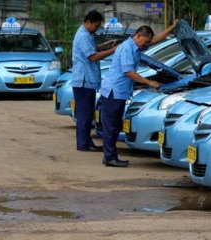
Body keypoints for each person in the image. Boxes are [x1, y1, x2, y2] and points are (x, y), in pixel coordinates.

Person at [100, 21, 178, 167]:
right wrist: (150, 82)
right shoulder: (127, 49)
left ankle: (110, 156)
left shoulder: (136, 45)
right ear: (138, 36)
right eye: (145, 41)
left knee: (115, 125)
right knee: (111, 125)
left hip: (119, 91)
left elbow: (155, 40)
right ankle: (110, 157)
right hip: (114, 91)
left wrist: (171, 28)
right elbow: (129, 72)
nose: (145, 45)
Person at [72, 10, 117, 152]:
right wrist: (114, 50)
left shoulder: (87, 34)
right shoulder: (83, 36)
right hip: (84, 80)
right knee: (85, 114)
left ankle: (84, 142)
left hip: (86, 80)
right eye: (96, 26)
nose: (97, 28)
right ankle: (84, 143)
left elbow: (92, 50)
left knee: (86, 113)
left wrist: (106, 46)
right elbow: (92, 57)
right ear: (88, 22)